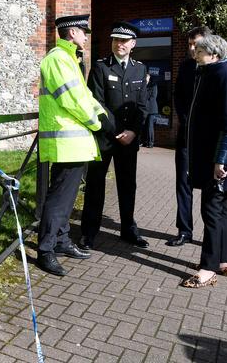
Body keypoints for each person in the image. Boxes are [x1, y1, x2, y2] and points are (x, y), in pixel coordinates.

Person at [37, 14, 114, 277]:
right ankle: (45, 251)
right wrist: (98, 122)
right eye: (84, 32)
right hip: (65, 143)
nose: (86, 37)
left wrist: (102, 114)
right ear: (72, 33)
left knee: (67, 198)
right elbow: (72, 99)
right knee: (58, 199)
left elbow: (85, 95)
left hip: (74, 144)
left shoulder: (68, 58)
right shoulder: (58, 59)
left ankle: (61, 241)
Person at [79, 21, 149, 249]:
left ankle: (128, 229)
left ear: (133, 44)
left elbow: (142, 105)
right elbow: (97, 104)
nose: (120, 44)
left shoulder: (140, 68)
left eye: (124, 41)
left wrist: (133, 132)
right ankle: (88, 232)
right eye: (116, 40)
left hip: (129, 140)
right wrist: (117, 131)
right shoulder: (101, 67)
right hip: (105, 139)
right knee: (95, 185)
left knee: (128, 185)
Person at [180, 34, 227, 288]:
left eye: (200, 49)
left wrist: (221, 162)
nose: (194, 51)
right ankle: (225, 261)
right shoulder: (213, 72)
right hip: (211, 156)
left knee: (212, 211)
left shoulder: (223, 76)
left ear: (214, 55)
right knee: (223, 208)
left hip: (215, 159)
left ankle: (208, 268)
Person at [167, 26, 210, 247]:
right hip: (186, 136)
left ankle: (210, 235)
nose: (192, 48)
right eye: (190, 44)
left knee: (209, 188)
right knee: (183, 184)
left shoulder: (214, 67)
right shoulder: (184, 67)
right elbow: (178, 96)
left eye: (197, 44)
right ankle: (184, 230)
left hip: (207, 140)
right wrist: (186, 119)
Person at [142, 73, 158, 148]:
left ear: (149, 78)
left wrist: (144, 100)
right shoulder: (143, 86)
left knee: (149, 127)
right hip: (144, 109)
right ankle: (144, 141)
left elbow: (153, 97)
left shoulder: (153, 86)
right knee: (144, 126)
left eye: (146, 78)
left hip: (151, 109)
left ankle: (151, 142)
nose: (145, 79)